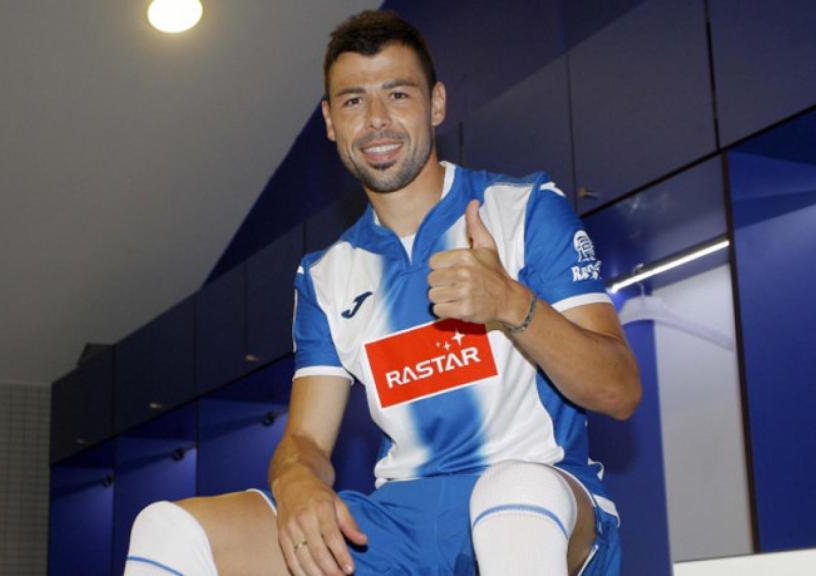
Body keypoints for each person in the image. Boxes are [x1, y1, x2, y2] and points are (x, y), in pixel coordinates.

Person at [125, 10, 640, 576]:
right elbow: (304, 440)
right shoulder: (325, 276)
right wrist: (294, 479)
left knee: (510, 495)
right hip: (400, 527)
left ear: (436, 104)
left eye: (398, 94)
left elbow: (618, 391)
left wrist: (510, 304)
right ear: (329, 120)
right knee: (166, 528)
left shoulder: (525, 209)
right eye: (352, 101)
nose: (375, 121)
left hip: (541, 500)